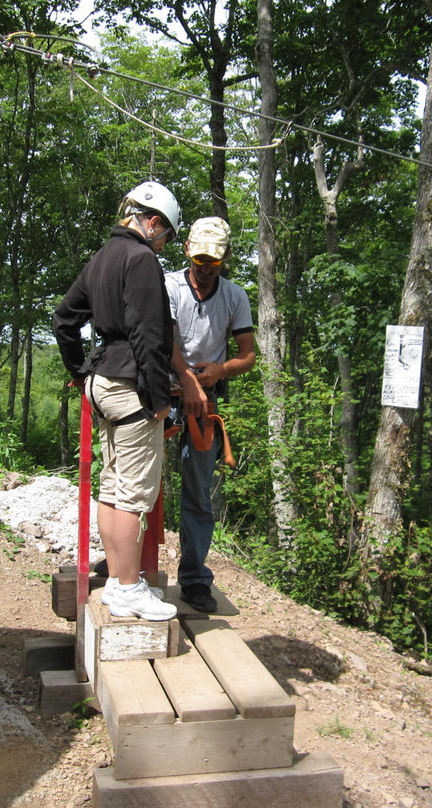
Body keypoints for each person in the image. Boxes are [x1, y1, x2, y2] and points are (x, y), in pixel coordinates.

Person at [52, 181, 181, 622]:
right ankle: (127, 588)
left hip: (103, 382)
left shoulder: (102, 257)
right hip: (132, 389)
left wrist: (77, 371)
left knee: (111, 487)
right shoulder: (141, 259)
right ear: (153, 222)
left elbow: (64, 319)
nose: (164, 246)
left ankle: (118, 583)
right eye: (166, 236)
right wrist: (159, 399)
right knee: (133, 495)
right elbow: (149, 335)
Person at [166, 216, 256, 613]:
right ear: (187, 250)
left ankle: (195, 578)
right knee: (143, 485)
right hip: (162, 397)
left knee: (198, 493)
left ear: (226, 259)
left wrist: (220, 371)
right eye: (200, 259)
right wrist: (187, 380)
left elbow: (248, 355)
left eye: (214, 262)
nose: (204, 269)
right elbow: (163, 341)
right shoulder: (167, 287)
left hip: (205, 406)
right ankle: (127, 567)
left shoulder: (235, 297)